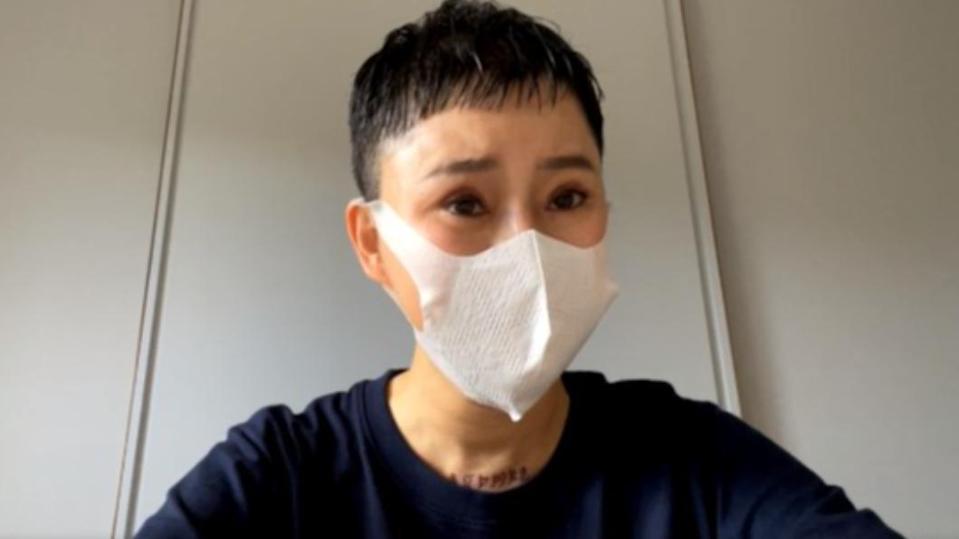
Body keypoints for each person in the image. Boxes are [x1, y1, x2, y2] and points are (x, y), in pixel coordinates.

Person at [136, 1, 903, 537]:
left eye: (566, 197)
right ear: (371, 242)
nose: (526, 247)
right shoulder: (277, 477)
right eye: (464, 202)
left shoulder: (691, 459)